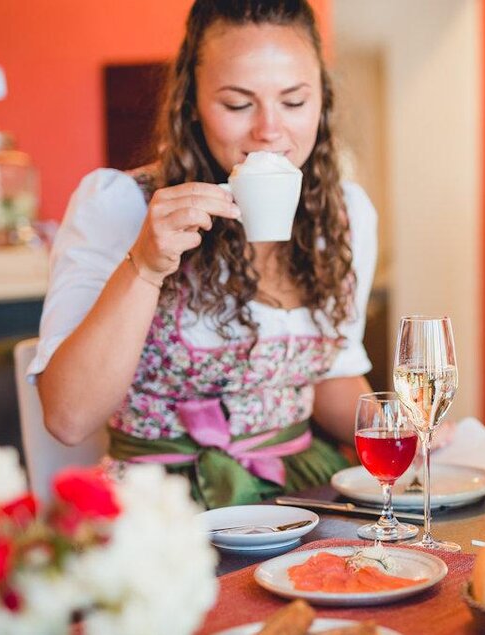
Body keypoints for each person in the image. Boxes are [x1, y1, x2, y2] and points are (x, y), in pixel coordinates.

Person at [29, 0, 377, 509]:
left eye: (294, 101)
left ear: (322, 99)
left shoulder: (344, 215)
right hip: (162, 505)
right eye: (237, 105)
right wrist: (146, 267)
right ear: (191, 102)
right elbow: (68, 417)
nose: (270, 130)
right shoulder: (119, 205)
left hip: (302, 494)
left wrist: (410, 432)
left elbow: (330, 377)